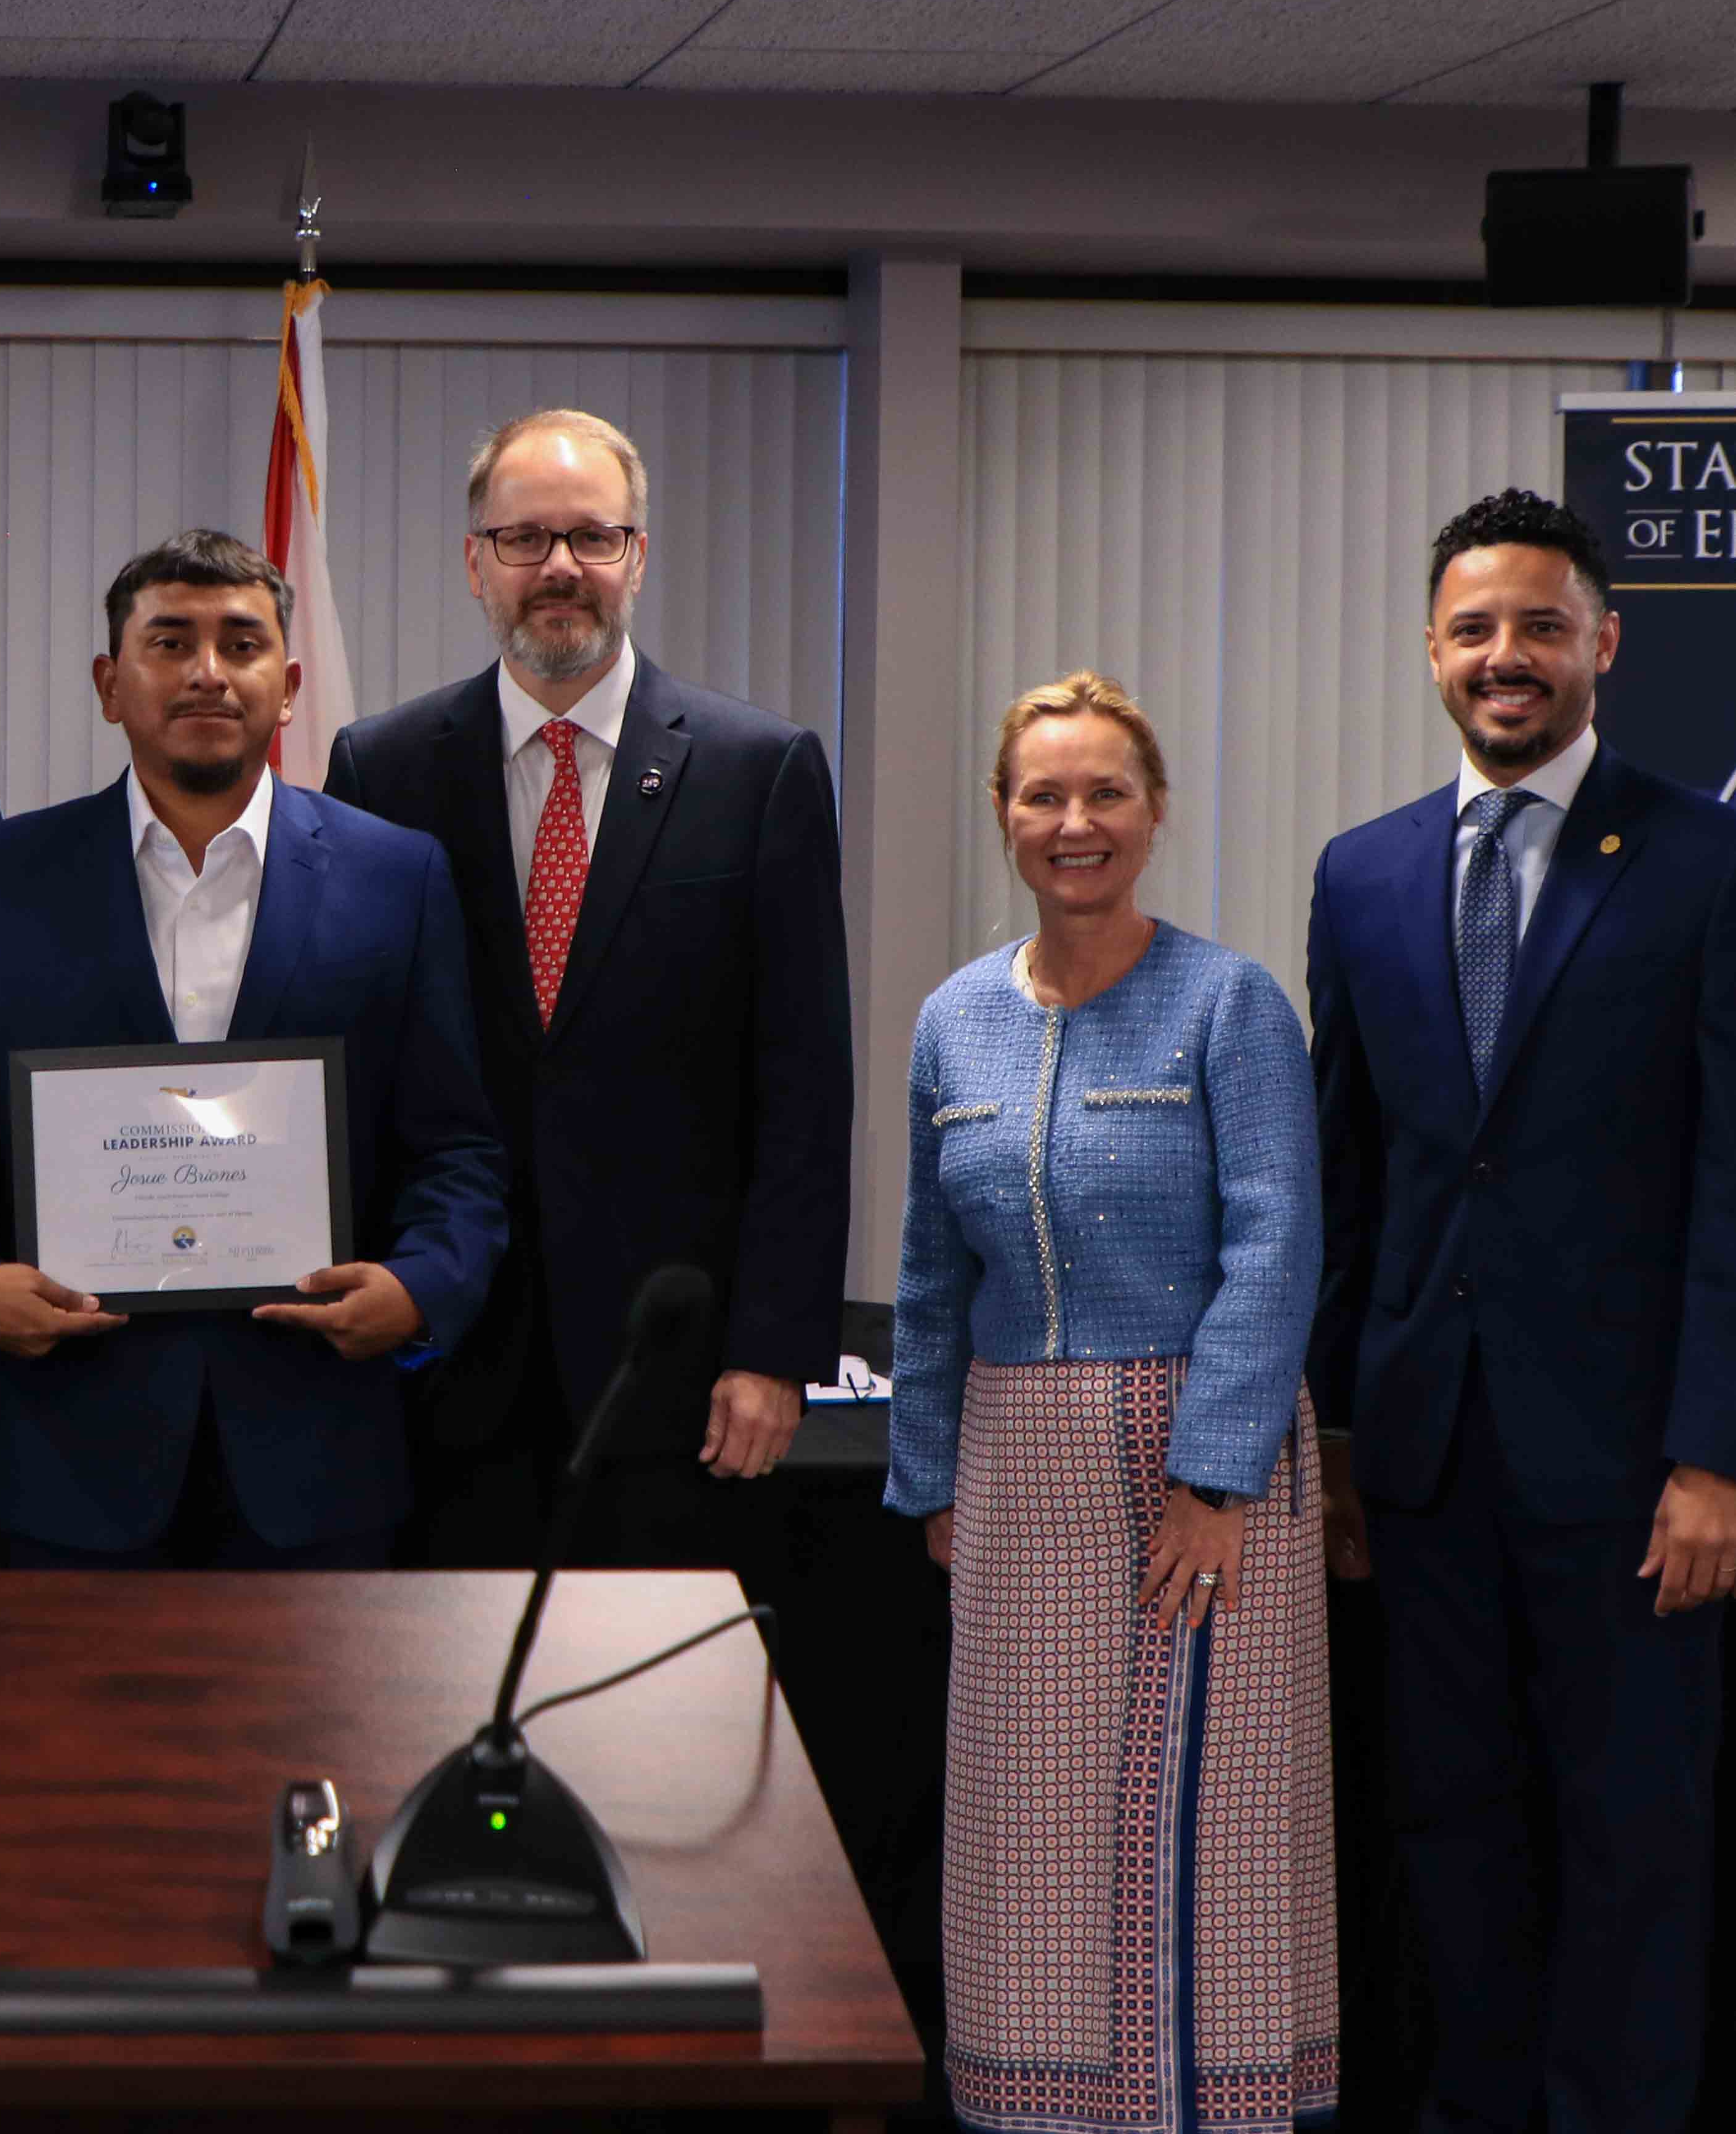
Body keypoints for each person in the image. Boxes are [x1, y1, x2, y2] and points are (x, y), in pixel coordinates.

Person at [1309, 488, 1736, 2134]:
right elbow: (1353, 1179)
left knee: (1633, 1840)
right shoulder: (1361, 876)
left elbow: (1727, 1181)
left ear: (1602, 648)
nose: (1508, 658)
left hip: (1636, 1476)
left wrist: (1713, 1452)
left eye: (1541, 628)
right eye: (1476, 629)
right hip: (1422, 1463)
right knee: (1451, 1830)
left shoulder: (1703, 862)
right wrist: (1337, 1432)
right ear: (1431, 651)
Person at [0, 530, 507, 1566]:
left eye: (241, 643)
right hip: (63, 1462)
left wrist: (422, 1286)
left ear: (290, 684)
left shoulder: (400, 877)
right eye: (170, 642)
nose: (208, 672)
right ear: (109, 683)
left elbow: (457, 1151)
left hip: (320, 1460)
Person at [890, 673, 1336, 2133]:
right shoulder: (953, 1020)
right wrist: (934, 1478)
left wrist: (1220, 1483)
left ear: (1154, 815)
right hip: (1016, 1472)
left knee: (1195, 1824)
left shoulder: (1231, 1004)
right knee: (1029, 1829)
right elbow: (928, 1268)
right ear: (1005, 819)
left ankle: (1197, 2110)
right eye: (1042, 796)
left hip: (1195, 1468)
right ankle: (1038, 2109)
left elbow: (1278, 1245)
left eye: (1105, 795)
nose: (1073, 823)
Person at [324, 409, 849, 1570]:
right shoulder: (382, 767)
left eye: (593, 537)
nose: (560, 566)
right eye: (525, 538)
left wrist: (774, 1349)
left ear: (638, 557)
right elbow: (359, 1065)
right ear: (475, 563)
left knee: (659, 1731)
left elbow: (805, 1085)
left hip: (676, 1365)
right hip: (446, 1355)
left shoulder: (762, 770)